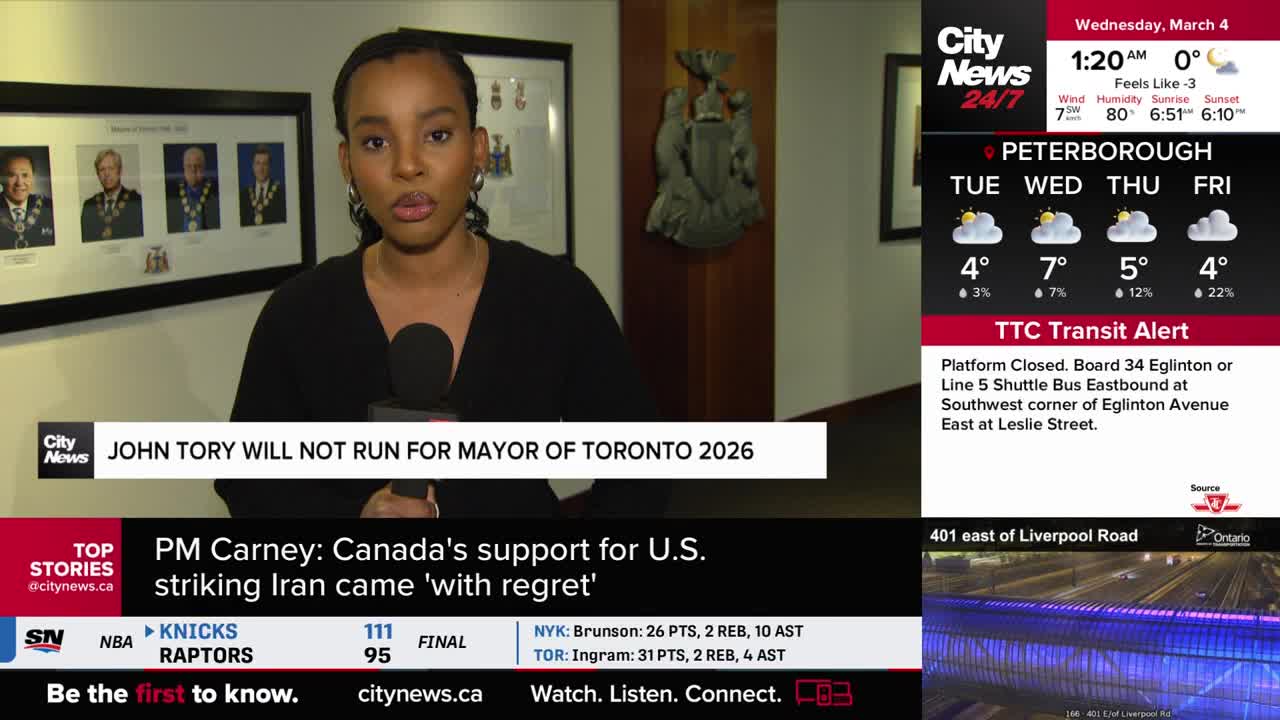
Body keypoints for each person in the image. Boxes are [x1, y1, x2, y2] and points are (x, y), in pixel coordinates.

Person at [214, 30, 669, 519]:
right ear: (347, 164)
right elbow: (249, 485)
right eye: (375, 141)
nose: (407, 165)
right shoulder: (297, 314)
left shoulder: (556, 299)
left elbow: (639, 474)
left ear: (477, 149)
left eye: (436, 135)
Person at [81, 148, 144, 241]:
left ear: (119, 171)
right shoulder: (89, 205)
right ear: (98, 174)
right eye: (102, 169)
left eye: (111, 168)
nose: (106, 174)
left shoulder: (136, 201)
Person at [0, 150, 56, 250]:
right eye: (12, 175)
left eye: (25, 175)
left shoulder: (49, 206)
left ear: (33, 178)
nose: (19, 183)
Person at [166, 145, 220, 232]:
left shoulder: (215, 192)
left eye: (197, 166)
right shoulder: (171, 193)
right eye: (188, 166)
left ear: (204, 168)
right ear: (183, 168)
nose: (193, 170)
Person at [240, 144, 286, 226]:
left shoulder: (282, 193)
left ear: (270, 167)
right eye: (257, 163)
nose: (261, 168)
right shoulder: (244, 195)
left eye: (265, 164)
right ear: (253, 166)